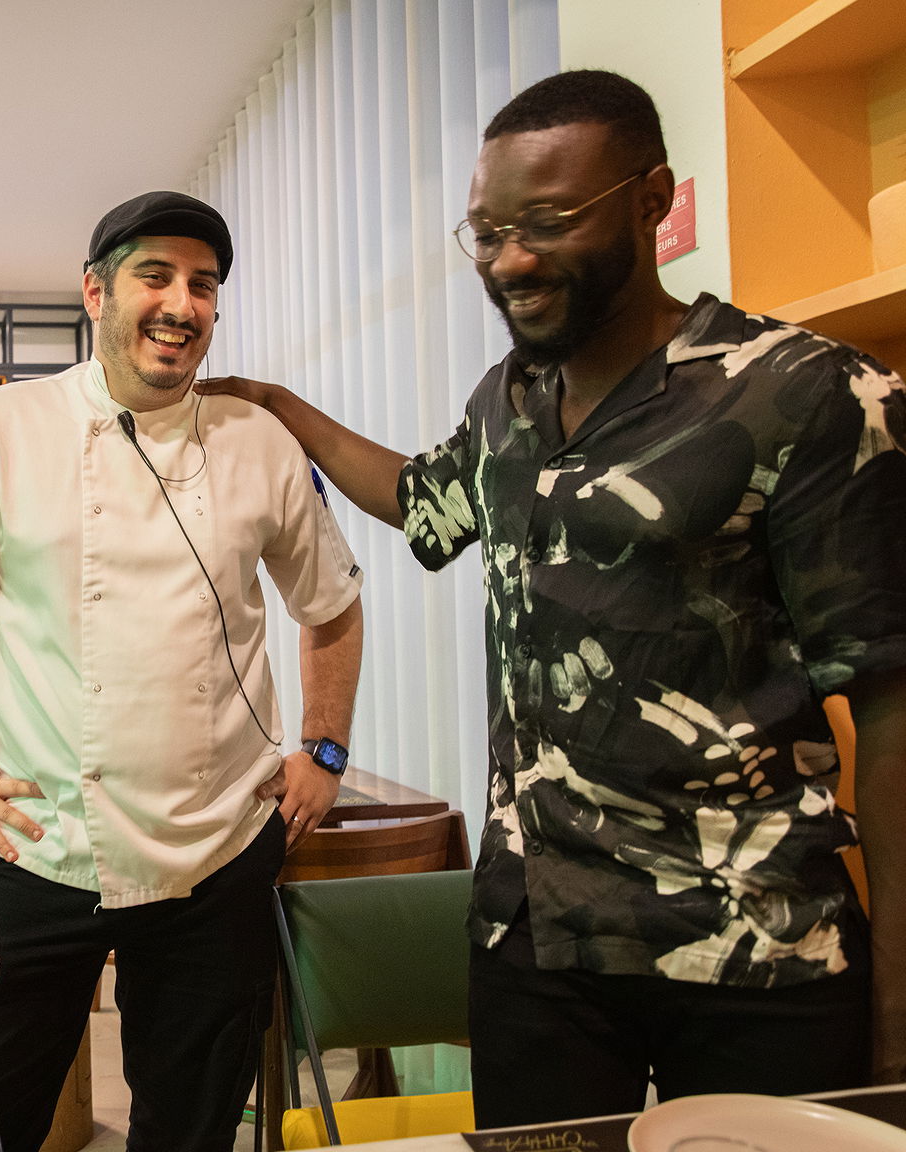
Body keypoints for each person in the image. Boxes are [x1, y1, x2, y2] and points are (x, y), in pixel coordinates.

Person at [199, 70, 906, 1126]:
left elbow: (893, 707)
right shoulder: (510, 400)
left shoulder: (806, 394)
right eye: (486, 232)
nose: (510, 260)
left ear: (652, 200)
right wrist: (276, 404)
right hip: (536, 942)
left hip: (752, 949)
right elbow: (425, 502)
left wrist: (898, 1016)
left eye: (548, 223)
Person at [0, 191, 364, 1152]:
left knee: (193, 1129)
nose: (182, 304)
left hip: (219, 851)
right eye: (155, 276)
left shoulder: (258, 443)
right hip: (36, 847)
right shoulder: (0, 427)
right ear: (95, 292)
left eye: (203, 285)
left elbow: (331, 603)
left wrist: (325, 749)